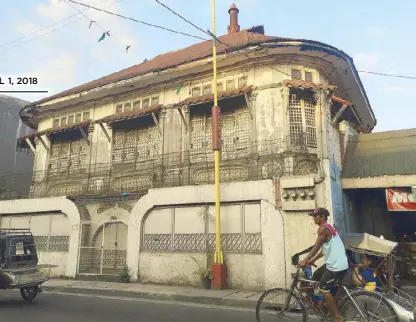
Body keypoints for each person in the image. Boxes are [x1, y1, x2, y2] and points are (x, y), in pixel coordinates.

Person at [298, 207, 349, 322]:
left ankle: (338, 316)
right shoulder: (330, 227)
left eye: (316, 216)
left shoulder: (322, 229)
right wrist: (313, 260)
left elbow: (316, 247)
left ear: (322, 217)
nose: (314, 218)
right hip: (339, 264)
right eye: (313, 216)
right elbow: (324, 250)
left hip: (335, 266)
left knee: (323, 288)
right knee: (315, 276)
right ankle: (323, 305)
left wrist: (305, 260)